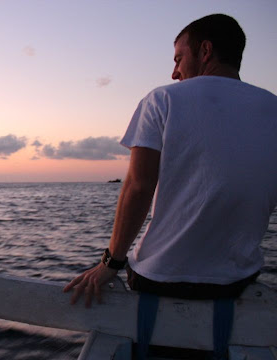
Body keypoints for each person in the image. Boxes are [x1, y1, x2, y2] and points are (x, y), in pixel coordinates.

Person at [63, 14, 277, 307]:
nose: (174, 72)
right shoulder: (272, 108)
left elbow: (139, 186)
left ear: (205, 51)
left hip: (161, 280)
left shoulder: (162, 100)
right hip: (238, 281)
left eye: (178, 59)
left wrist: (109, 264)